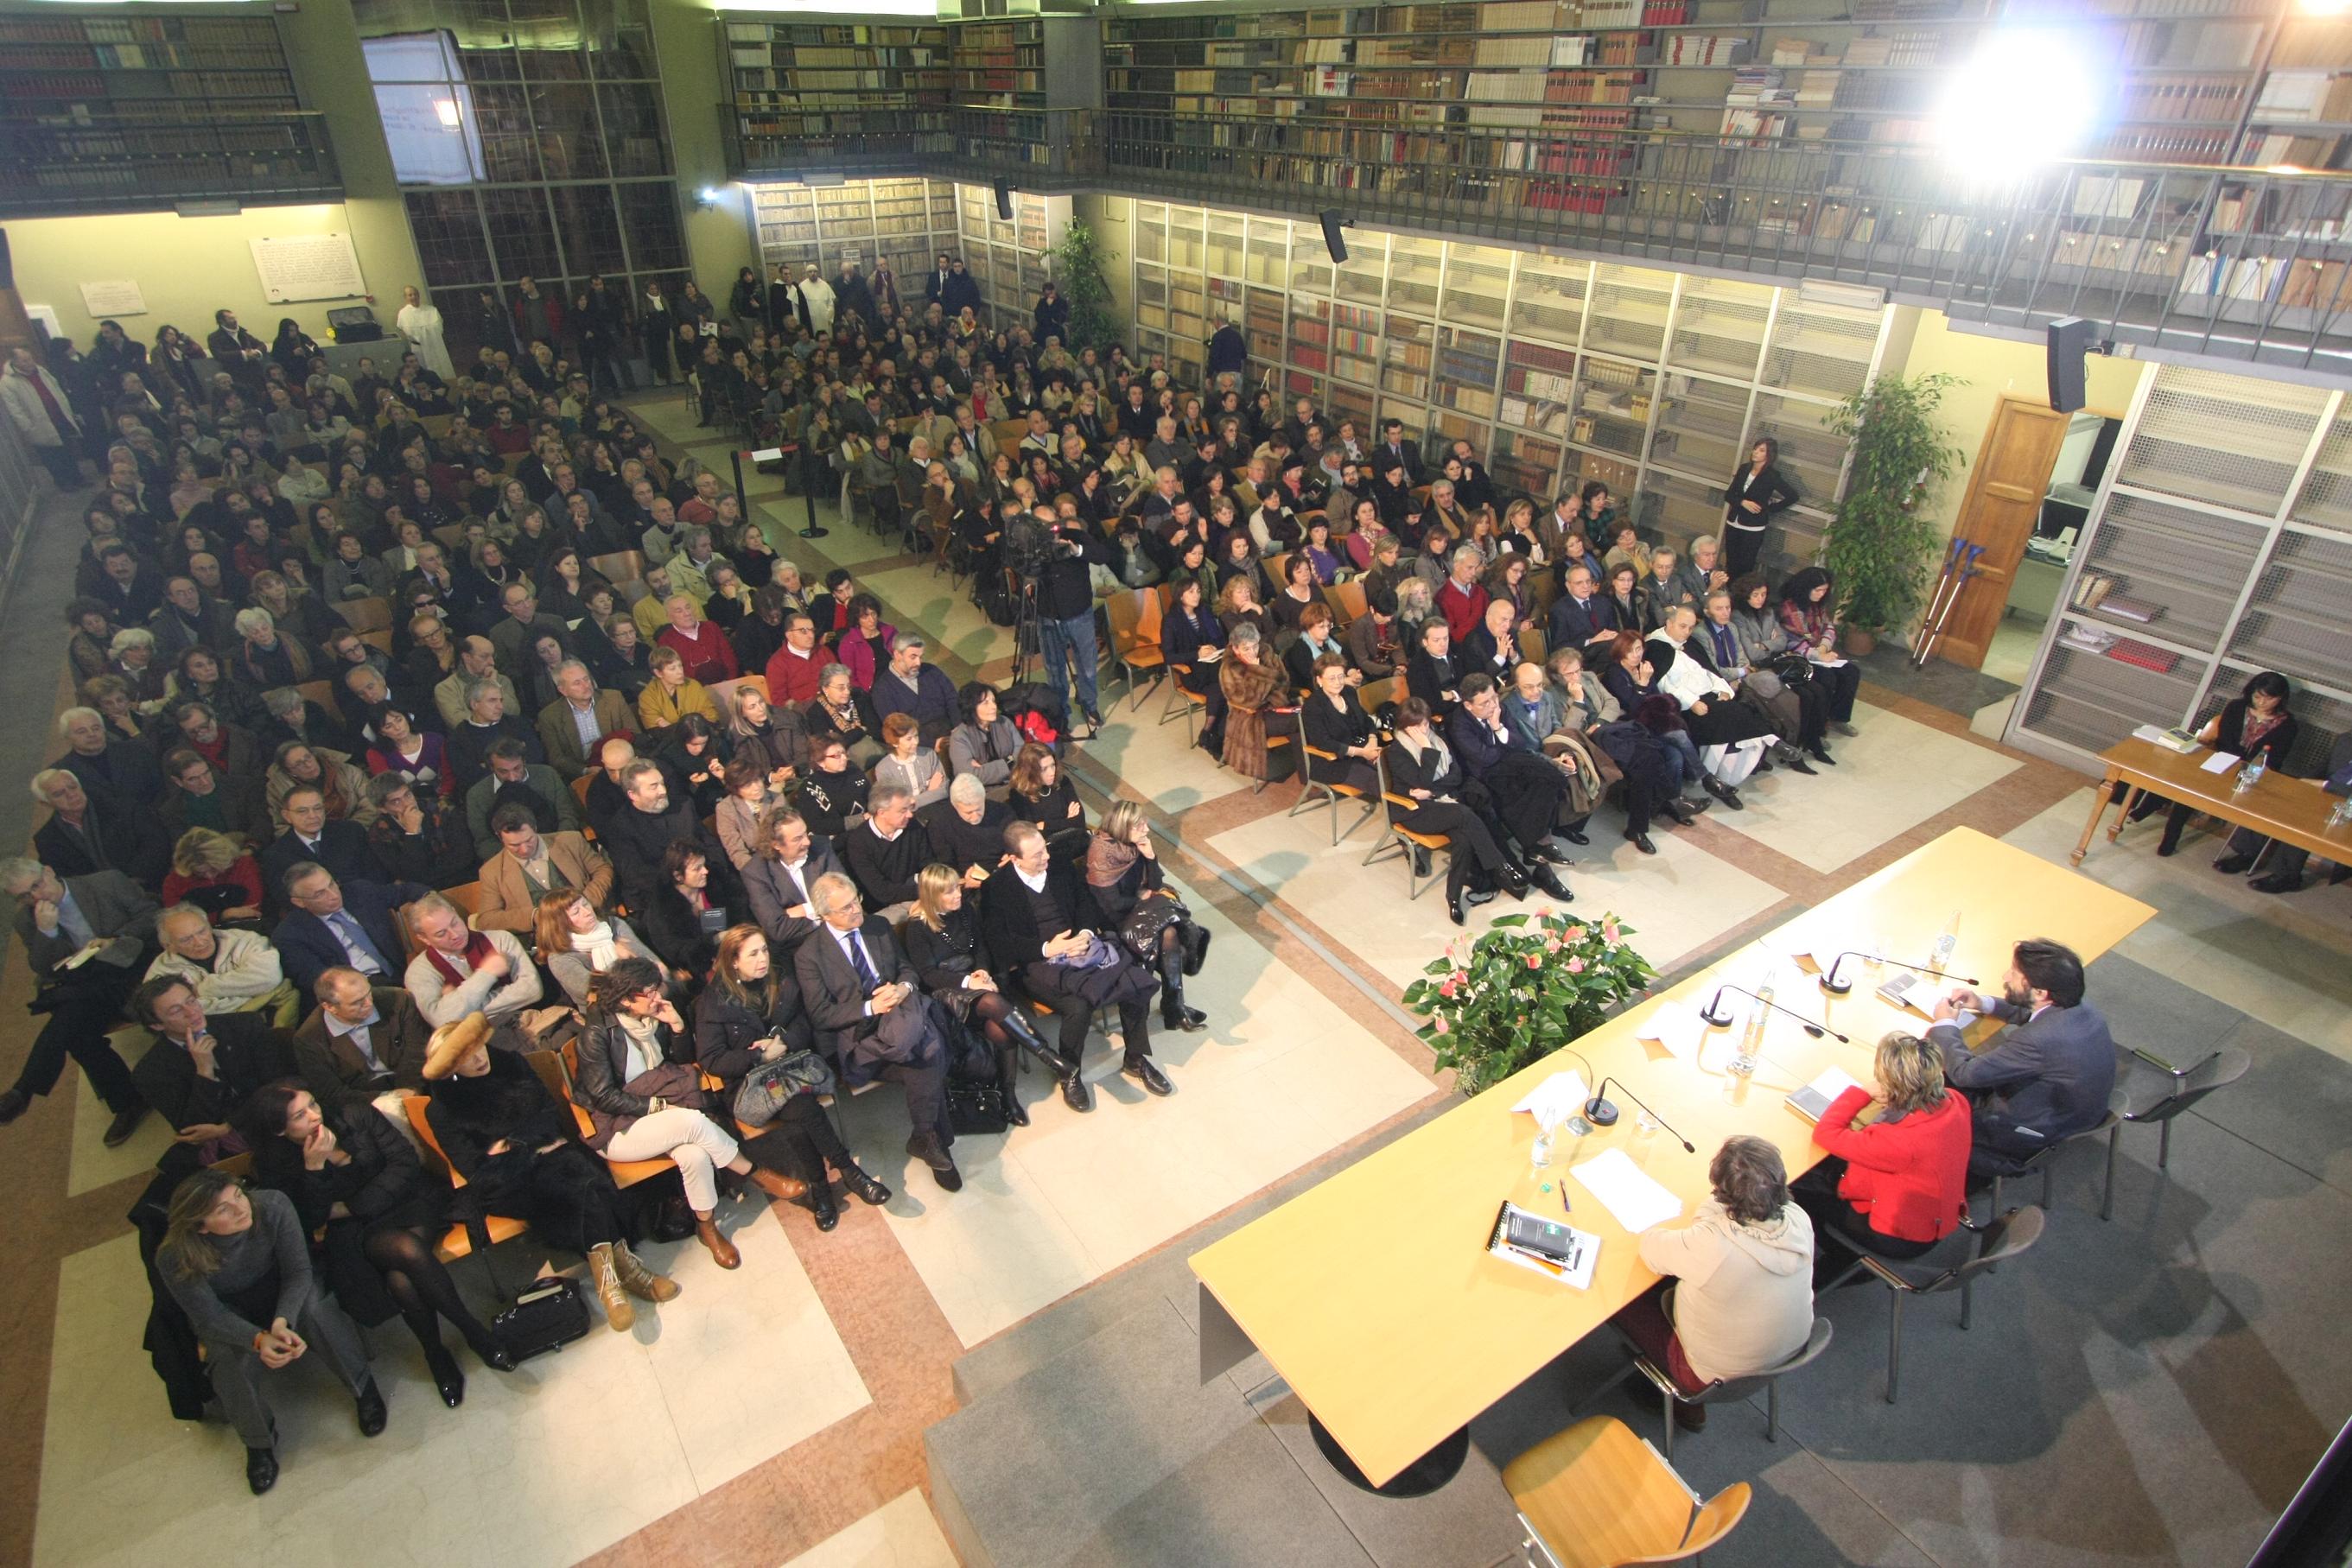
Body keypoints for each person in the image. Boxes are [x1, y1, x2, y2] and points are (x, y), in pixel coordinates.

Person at [240, 1081, 514, 1409]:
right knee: (404, 1262)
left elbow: (404, 1161)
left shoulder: (353, 1112)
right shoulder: (272, 1163)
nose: (314, 1115)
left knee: (403, 1272)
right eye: (300, 1115)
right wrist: (314, 1169)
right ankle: (473, 1335)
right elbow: (307, 1219)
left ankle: (438, 1352)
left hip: (405, 1201)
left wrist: (352, 1206)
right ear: (280, 1131)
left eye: (312, 1103)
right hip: (358, 1230)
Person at [421, 1012, 668, 1332]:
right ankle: (632, 1274)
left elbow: (549, 1114)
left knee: (582, 1184)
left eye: (478, 1047)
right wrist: (528, 1149)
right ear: (451, 1068)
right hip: (506, 1182)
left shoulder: (511, 1064)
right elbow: (475, 1170)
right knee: (583, 1185)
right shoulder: (442, 1108)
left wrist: (511, 1143)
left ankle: (611, 1284)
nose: (479, 1058)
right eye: (465, 1058)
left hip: (551, 1157)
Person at [156, 1169, 383, 1495]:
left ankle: (363, 1387)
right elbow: (210, 1317)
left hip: (281, 1285)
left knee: (315, 1310)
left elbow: (299, 1271)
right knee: (225, 1356)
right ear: (200, 1226)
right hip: (230, 1308)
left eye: (239, 1195)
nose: (241, 1208)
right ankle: (258, 1441)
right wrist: (258, 1339)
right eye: (224, 1210)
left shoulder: (273, 1206)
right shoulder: (174, 1255)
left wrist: (281, 1322)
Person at [572, 959, 806, 1268]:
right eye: (648, 992)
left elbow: (681, 1065)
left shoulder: (653, 1018)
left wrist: (677, 1027)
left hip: (663, 1112)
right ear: (626, 1000)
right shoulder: (597, 1033)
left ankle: (707, 1227)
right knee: (693, 1121)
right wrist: (656, 1107)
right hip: (616, 1127)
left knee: (694, 1156)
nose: (657, 997)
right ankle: (755, 1173)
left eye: (656, 988)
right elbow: (602, 1096)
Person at [695, 925, 889, 1232]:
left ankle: (822, 1189)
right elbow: (712, 1059)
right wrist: (759, 1057)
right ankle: (848, 1171)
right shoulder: (713, 1001)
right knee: (801, 1107)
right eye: (753, 954)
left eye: (764, 950)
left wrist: (783, 1042)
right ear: (733, 961)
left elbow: (804, 1021)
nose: (763, 959)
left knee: (799, 1111)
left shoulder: (781, 978)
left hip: (791, 1068)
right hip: (751, 1083)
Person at [1611, 1136, 1814, 1430]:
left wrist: (1711, 1214)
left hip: (1712, 1376)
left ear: (1721, 1193)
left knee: (1621, 1292)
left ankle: (1687, 1407)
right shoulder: (1799, 1220)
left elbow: (1650, 1248)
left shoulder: (1713, 1246)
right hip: (1783, 1354)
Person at [980, 822, 1170, 1110]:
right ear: (1015, 859)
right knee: (1078, 1007)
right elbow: (1000, 943)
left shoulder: (1059, 866)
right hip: (1038, 963)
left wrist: (1085, 934)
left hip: (1082, 948)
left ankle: (1135, 1059)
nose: (1046, 856)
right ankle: (1070, 1073)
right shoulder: (996, 888)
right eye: (1037, 855)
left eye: (1044, 849)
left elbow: (1086, 903)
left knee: (1135, 983)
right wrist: (1049, 948)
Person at [794, 873, 963, 1190]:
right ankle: (932, 1141)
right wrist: (870, 1007)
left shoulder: (877, 926)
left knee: (924, 1057)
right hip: (862, 1039)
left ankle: (930, 1141)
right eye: (846, 908)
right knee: (930, 1051)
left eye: (856, 900)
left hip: (901, 1019)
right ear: (825, 915)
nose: (856, 910)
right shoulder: (809, 955)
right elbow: (820, 1014)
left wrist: (901, 989)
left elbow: (907, 970)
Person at [1929, 937, 2116, 1179]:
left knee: (1926, 1085)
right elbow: (2033, 1014)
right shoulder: (2080, 1009)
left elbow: (1966, 1074)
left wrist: (1945, 1023)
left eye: (2015, 973)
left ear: (2040, 992)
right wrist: (1982, 1003)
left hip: (2028, 1132)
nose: (2006, 977)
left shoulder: (2038, 1041)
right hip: (2071, 1114)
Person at [0, 858, 152, 1143]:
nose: (37, 897)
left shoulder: (106, 882)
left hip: (128, 970)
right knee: (78, 1033)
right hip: (86, 984)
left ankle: (23, 1090)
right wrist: (47, 932)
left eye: (37, 885)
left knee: (68, 1020)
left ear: (49, 871)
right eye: (25, 896)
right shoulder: (27, 921)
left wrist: (115, 939)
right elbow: (43, 967)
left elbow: (151, 915)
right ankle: (129, 1102)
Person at [1797, 1031, 1974, 1271]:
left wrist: (1863, 1093)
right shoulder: (1955, 1101)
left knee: (1799, 1193)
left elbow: (1826, 1133)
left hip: (1900, 1237)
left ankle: (1839, 1261)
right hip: (1935, 1216)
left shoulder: (1899, 1142)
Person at [2127, 670, 2298, 858]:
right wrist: (2232, 759)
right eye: (2257, 697)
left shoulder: (2288, 725)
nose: (2262, 703)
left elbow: (2276, 757)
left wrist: (2249, 765)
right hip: (2221, 760)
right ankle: (2168, 833)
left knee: (2197, 787)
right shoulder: (2237, 707)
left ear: (2280, 698)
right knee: (2189, 786)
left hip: (2251, 774)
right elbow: (2225, 738)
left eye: (2269, 698)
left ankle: (2153, 808)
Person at [1384, 697, 1522, 925]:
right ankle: (1501, 866)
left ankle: (1454, 898)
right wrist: (1426, 749)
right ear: (1404, 726)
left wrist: (1432, 790)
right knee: (1464, 813)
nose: (1423, 730)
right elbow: (1422, 779)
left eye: (1425, 724)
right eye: (1415, 726)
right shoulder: (1397, 751)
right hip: (1413, 810)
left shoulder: (1438, 740)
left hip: (1439, 802)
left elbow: (1456, 776)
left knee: (1463, 839)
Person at [127, 974, 298, 1152]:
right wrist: (204, 1072)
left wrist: (229, 1126)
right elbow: (191, 1129)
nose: (191, 1012)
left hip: (273, 1116)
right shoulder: (149, 1072)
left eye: (191, 1001)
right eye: (176, 1011)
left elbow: (278, 1085)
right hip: (218, 1142)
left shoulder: (245, 1024)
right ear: (156, 1025)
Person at [1084, 801, 1211, 1034]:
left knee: (1169, 933)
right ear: (1123, 826)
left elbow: (1155, 884)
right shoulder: (1101, 855)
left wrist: (1150, 856)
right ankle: (1174, 1007)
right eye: (1140, 825)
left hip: (1140, 911)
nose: (1147, 829)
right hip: (1115, 919)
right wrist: (1142, 898)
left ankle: (1175, 1005)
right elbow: (1114, 905)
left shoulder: (1134, 847)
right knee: (1167, 934)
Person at [2212, 727, 2352, 892]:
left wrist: (2325, 785)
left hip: (2346, 805)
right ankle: (2247, 853)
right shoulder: (2346, 739)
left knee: (2305, 819)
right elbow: (2323, 768)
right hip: (2321, 795)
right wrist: (2298, 783)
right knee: (2274, 799)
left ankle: (2287, 876)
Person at [290, 967, 435, 1120]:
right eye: (357, 1003)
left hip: (413, 1082)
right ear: (330, 1007)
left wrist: (411, 1090)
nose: (369, 1003)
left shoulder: (398, 1000)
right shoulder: (309, 1038)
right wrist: (388, 1099)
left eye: (369, 993)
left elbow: (417, 1052)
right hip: (364, 1104)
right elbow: (331, 1092)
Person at [402, 891, 544, 1038]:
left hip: (526, 1024)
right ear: (424, 938)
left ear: (455, 912)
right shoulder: (418, 973)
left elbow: (532, 989)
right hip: (473, 1042)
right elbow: (442, 1020)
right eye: (441, 933)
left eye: (454, 923)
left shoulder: (501, 939)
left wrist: (459, 1006)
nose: (455, 935)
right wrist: (486, 973)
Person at [473, 804, 614, 934]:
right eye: (514, 845)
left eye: (529, 840)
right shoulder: (491, 872)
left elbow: (603, 869)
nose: (524, 849)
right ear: (500, 838)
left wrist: (586, 900)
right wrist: (534, 916)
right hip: (545, 938)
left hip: (592, 923)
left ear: (535, 828)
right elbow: (486, 920)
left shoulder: (570, 841)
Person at [148, 902, 285, 1014]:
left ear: (209, 925)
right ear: (169, 946)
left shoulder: (246, 940)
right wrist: (252, 996)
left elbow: (270, 977)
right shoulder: (161, 971)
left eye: (202, 931)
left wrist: (204, 989)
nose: (199, 942)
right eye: (186, 939)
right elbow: (180, 1013)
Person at [1776, 568, 1861, 738]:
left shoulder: (1816, 606)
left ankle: (1838, 717)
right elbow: (1793, 643)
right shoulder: (1789, 608)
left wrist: (1824, 647)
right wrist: (1819, 655)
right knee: (1828, 678)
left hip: (1819, 652)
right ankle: (1819, 726)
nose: (1821, 594)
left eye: (1824, 590)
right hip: (1798, 658)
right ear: (1806, 588)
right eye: (1818, 590)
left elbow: (1828, 627)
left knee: (1851, 672)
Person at [1301, 653, 1382, 798]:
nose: (1338, 682)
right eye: (1332, 678)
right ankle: (1401, 809)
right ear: (1319, 680)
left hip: (1364, 749)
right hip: (1335, 762)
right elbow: (1324, 743)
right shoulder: (1313, 706)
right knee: (1379, 781)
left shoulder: (1349, 692)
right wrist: (1362, 752)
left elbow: (1367, 720)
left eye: (1341, 677)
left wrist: (1372, 740)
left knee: (1395, 769)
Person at [1721, 436, 1798, 578]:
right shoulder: (1744, 469)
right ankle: (1729, 589)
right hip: (1733, 522)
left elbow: (1792, 496)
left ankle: (1740, 590)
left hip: (1753, 527)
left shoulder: (1771, 476)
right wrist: (1743, 502)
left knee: (1745, 566)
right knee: (1731, 563)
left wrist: (1770, 509)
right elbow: (1729, 495)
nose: (1755, 452)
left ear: (1769, 455)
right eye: (1755, 449)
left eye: (1761, 450)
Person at [395, 285, 455, 380]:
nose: (414, 297)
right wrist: (427, 331)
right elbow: (409, 332)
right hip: (419, 348)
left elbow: (439, 327)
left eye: (415, 294)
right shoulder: (403, 313)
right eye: (410, 295)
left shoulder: (431, 310)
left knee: (442, 371)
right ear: (406, 297)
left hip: (436, 346)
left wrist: (423, 331)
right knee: (422, 372)